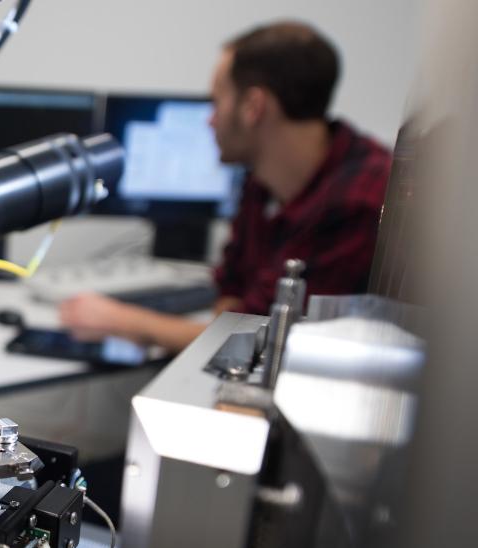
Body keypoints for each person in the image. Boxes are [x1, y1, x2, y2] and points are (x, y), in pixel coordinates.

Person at [59, 21, 392, 352]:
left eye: (217, 102)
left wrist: (123, 321)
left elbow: (264, 341)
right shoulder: (261, 178)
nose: (210, 119)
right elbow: (233, 292)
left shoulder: (360, 201)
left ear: (253, 107)